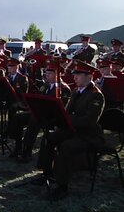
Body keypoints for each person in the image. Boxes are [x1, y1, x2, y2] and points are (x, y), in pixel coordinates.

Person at [36, 60, 105, 200]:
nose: (74, 77)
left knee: (67, 146)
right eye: (75, 74)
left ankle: (62, 186)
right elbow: (66, 112)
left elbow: (89, 122)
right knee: (49, 138)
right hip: (73, 130)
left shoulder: (96, 95)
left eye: (79, 74)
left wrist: (68, 119)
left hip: (88, 135)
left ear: (89, 77)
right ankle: (46, 173)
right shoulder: (75, 91)